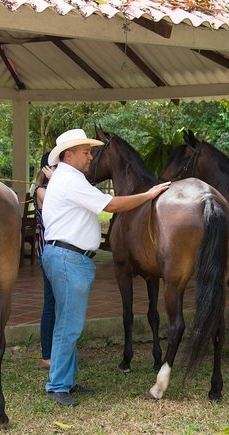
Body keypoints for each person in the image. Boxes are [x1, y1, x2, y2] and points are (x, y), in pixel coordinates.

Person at [42, 128, 170, 407]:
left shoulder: (68, 178)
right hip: (68, 258)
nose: (91, 157)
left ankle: (66, 379)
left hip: (69, 257)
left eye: (91, 151)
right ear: (69, 155)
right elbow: (111, 204)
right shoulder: (70, 180)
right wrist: (148, 195)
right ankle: (58, 385)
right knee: (69, 325)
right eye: (86, 152)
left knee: (68, 322)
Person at [33, 152, 56, 370]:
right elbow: (58, 207)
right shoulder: (42, 191)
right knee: (50, 303)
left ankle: (55, 350)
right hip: (46, 251)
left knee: (58, 303)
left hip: (55, 252)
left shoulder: (56, 187)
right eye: (55, 167)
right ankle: (46, 354)